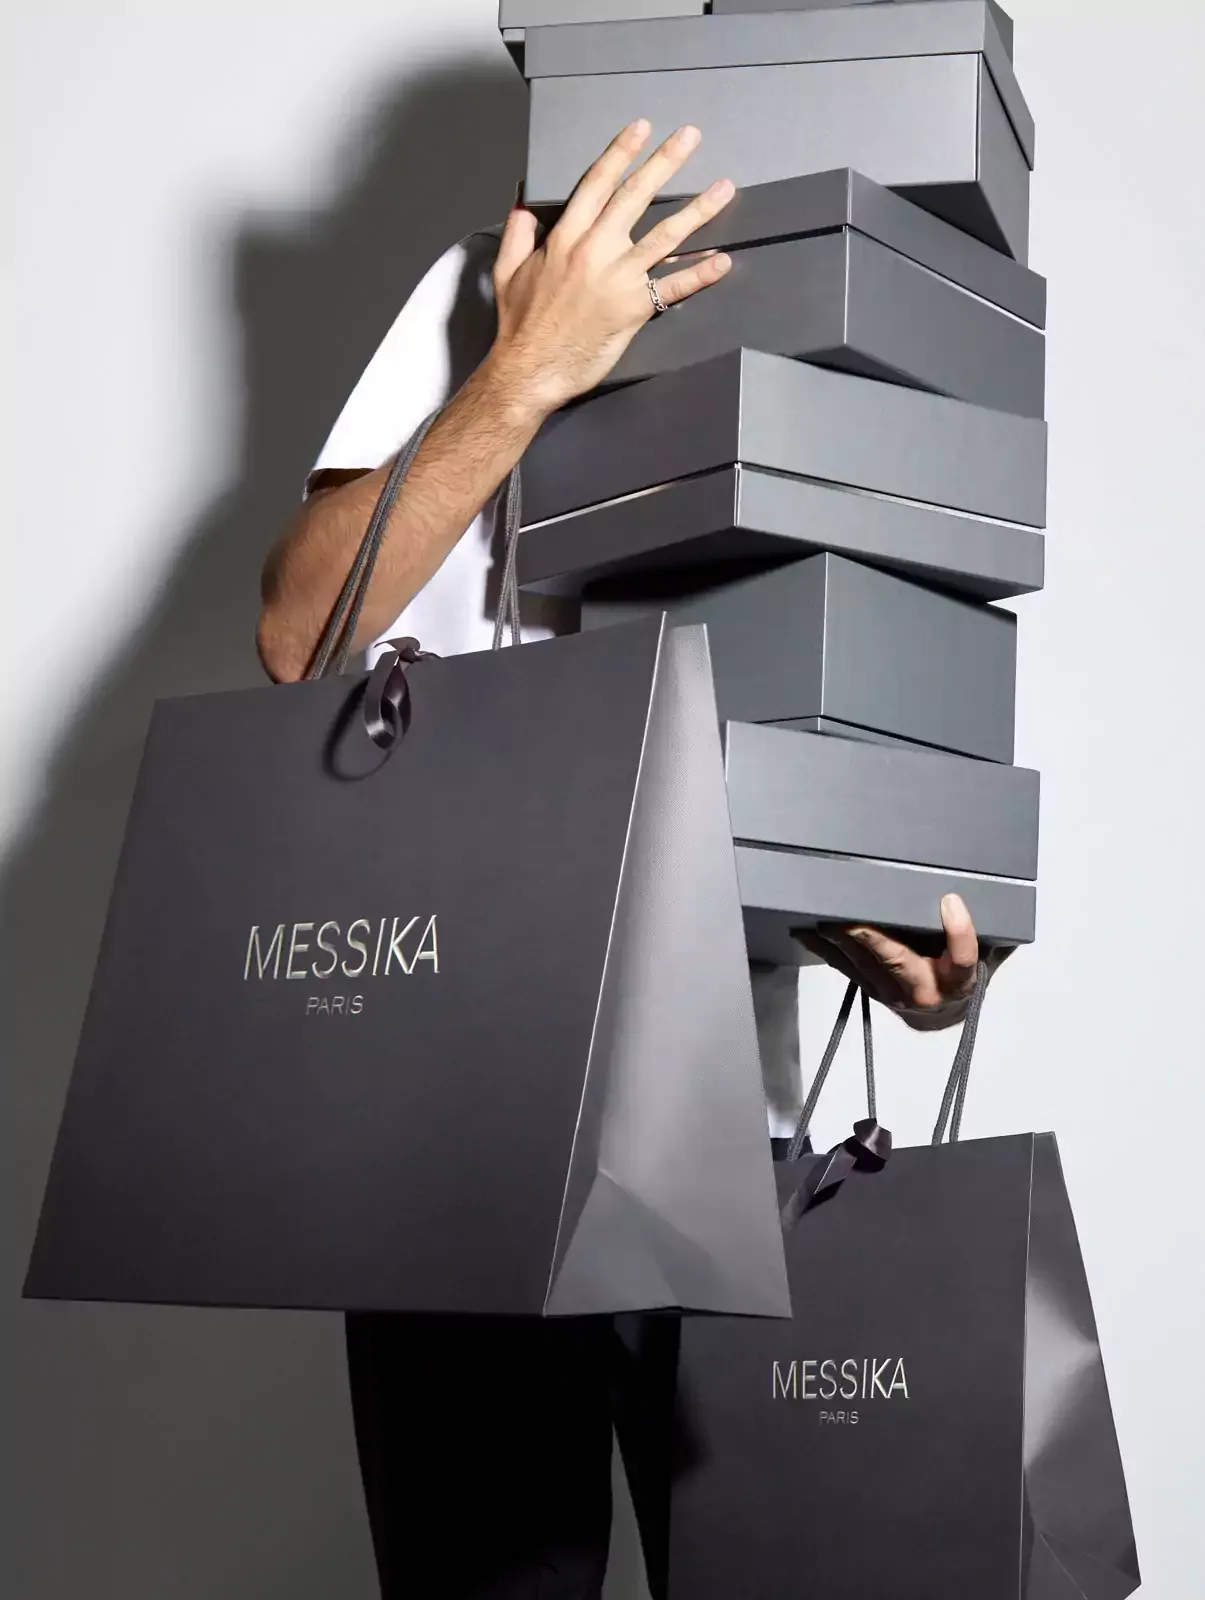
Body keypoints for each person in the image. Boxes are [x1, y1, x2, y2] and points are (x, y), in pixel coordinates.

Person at [258, 121, 1005, 1599]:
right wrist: (526, 367)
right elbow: (298, 635)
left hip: (736, 1136)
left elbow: (820, 740)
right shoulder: (493, 285)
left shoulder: (860, 314)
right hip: (455, 1127)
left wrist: (894, 945)